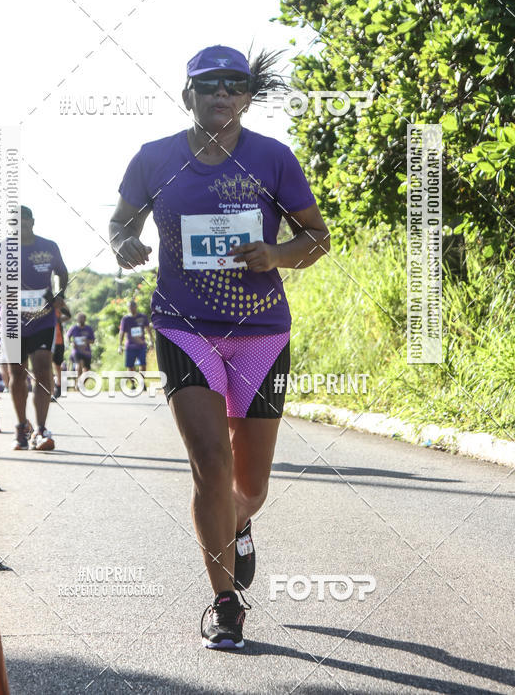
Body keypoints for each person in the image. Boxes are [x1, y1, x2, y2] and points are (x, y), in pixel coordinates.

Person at [109, 44, 330, 649]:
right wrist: (123, 243)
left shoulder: (273, 158)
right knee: (211, 466)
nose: (222, 94)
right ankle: (226, 603)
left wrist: (278, 254)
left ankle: (238, 524)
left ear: (247, 97)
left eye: (234, 85)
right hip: (184, 326)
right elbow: (121, 221)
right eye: (209, 85)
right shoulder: (155, 160)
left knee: (249, 487)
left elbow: (317, 235)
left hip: (261, 332)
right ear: (189, 95)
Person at [0, 205, 68, 451]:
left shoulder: (48, 247)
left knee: (42, 367)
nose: (20, 225)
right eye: (15, 222)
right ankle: (21, 428)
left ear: (32, 221)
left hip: (43, 319)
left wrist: (59, 295)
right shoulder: (0, 250)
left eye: (24, 221)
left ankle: (41, 428)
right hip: (13, 322)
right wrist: (3, 297)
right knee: (17, 374)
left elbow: (62, 273)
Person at [118, 300, 153, 373]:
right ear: (128, 308)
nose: (131, 308)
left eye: (132, 307)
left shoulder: (142, 317)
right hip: (130, 346)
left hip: (141, 346)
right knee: (130, 367)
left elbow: (148, 330)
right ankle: (133, 383)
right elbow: (122, 333)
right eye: (129, 307)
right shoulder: (125, 319)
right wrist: (120, 346)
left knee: (143, 365)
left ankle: (141, 381)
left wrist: (151, 341)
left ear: (136, 307)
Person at [67, 313, 95, 383]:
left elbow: (93, 340)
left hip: (87, 352)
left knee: (87, 370)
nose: (81, 319)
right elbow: (68, 337)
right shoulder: (73, 328)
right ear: (77, 319)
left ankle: (82, 382)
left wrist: (87, 341)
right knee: (79, 364)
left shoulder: (89, 329)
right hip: (77, 351)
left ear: (85, 319)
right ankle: (78, 382)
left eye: (82, 318)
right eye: (79, 318)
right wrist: (71, 343)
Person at [52, 302, 71, 399]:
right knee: (47, 366)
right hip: (47, 341)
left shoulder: (57, 308)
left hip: (59, 342)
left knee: (58, 366)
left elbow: (68, 316)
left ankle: (59, 386)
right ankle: (51, 390)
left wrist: (63, 304)